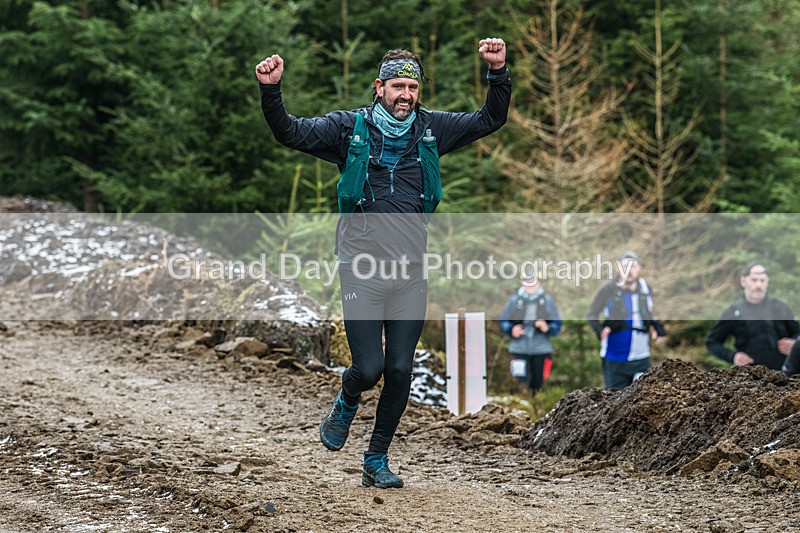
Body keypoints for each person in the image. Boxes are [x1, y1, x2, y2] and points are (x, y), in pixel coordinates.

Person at [255, 39, 510, 488]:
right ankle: (346, 400)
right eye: (397, 86)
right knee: (369, 367)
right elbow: (289, 132)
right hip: (362, 269)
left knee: (400, 370)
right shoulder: (346, 129)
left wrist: (497, 72)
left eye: (412, 86)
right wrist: (271, 90)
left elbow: (491, 118)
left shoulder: (432, 129)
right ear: (379, 87)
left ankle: (376, 459)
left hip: (411, 273)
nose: (405, 94)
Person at [586, 251, 667, 389]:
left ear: (639, 268)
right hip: (615, 358)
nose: (629, 270)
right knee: (616, 401)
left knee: (643, 397)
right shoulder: (609, 289)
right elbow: (592, 314)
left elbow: (649, 312)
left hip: (641, 357)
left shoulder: (646, 288)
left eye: (633, 266)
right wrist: (599, 330)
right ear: (617, 268)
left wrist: (658, 329)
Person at [706, 263, 800, 371]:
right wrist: (733, 356)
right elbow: (712, 342)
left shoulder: (780, 306)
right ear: (743, 281)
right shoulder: (733, 311)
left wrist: (794, 344)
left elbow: (797, 334)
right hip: (751, 378)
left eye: (762, 280)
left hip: (786, 374)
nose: (758, 285)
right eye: (754, 280)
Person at [499, 268, 562, 393]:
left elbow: (557, 324)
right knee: (519, 383)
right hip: (519, 349)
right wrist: (512, 329)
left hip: (541, 349)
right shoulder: (515, 301)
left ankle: (536, 408)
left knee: (538, 385)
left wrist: (547, 327)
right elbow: (503, 321)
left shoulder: (547, 301)